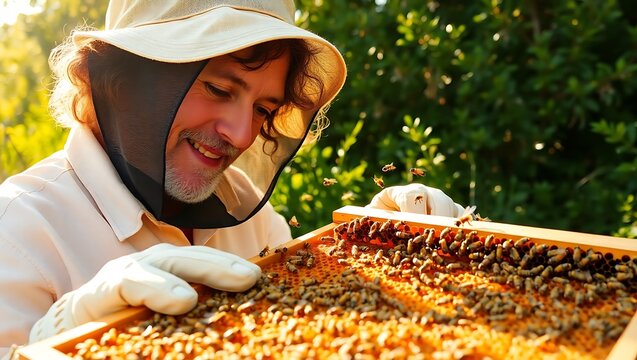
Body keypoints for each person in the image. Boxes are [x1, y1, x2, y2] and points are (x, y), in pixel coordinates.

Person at [0, 0, 464, 356]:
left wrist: (371, 249)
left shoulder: (247, 213)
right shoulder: (17, 231)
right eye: (219, 88)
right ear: (118, 77)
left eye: (263, 108)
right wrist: (58, 335)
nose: (241, 134)